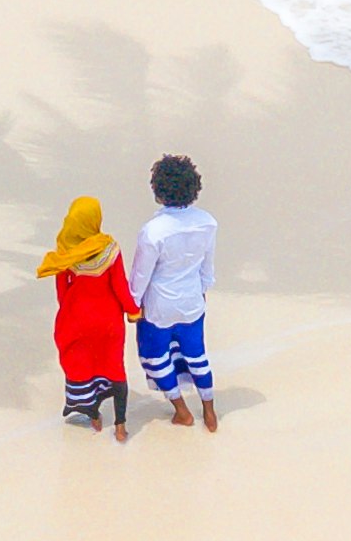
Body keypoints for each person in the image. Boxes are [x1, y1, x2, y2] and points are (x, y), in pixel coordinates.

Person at [132, 153, 219, 432]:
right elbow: (208, 266)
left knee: (156, 355)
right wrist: (202, 290)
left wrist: (133, 303)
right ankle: (209, 410)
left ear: (158, 191)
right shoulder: (207, 222)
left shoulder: (153, 231)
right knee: (196, 353)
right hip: (193, 299)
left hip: (159, 304)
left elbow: (141, 274)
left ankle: (182, 410)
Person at [38, 195, 136, 439]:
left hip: (77, 320)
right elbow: (120, 286)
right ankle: (121, 426)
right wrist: (132, 311)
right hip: (108, 321)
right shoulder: (110, 249)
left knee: (85, 366)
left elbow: (62, 292)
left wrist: (71, 314)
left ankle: (94, 416)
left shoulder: (65, 252)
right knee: (114, 367)